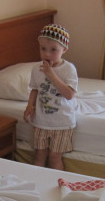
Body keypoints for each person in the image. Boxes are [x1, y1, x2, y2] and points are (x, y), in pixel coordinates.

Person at [23, 24, 78, 170]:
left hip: (62, 123)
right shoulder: (36, 68)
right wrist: (30, 106)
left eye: (53, 50)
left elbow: (69, 94)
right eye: (43, 49)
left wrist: (51, 74)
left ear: (64, 50)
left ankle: (57, 181)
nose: (47, 54)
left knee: (54, 156)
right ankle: (37, 181)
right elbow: (35, 89)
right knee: (39, 155)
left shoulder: (68, 69)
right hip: (41, 122)